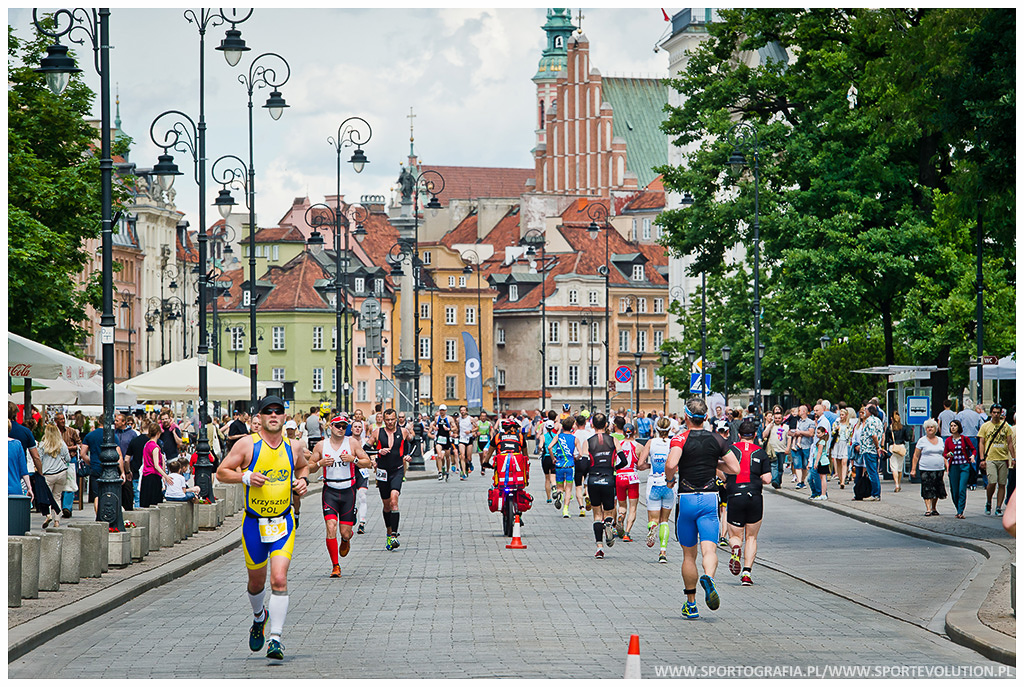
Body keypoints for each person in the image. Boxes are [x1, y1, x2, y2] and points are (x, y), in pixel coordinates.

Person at [217, 395, 309, 661]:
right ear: (258, 417)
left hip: (283, 522)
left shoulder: (293, 447)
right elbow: (222, 472)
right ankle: (259, 617)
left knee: (278, 579)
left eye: (278, 411)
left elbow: (304, 468)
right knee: (256, 583)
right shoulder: (248, 445)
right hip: (254, 524)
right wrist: (244, 475)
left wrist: (302, 483)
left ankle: (276, 639)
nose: (273, 415)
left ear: (284, 417)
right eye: (267, 411)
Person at [665, 397, 740, 620]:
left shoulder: (680, 438)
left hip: (687, 498)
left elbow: (671, 464)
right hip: (709, 498)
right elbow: (734, 468)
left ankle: (691, 604)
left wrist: (670, 480)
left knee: (689, 555)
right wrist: (714, 462)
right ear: (706, 417)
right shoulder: (717, 439)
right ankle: (709, 576)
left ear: (686, 416)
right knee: (710, 550)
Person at [307, 413, 371, 576]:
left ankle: (345, 539)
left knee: (345, 532)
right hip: (330, 491)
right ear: (331, 427)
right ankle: (335, 566)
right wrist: (320, 463)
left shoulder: (352, 443)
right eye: (338, 426)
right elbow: (310, 467)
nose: (341, 429)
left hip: (348, 491)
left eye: (344, 427)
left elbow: (368, 462)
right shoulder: (322, 446)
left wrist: (353, 459)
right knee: (330, 527)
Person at [724, 420, 772, 586]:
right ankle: (746, 573)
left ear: (738, 435)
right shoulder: (760, 452)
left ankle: (736, 548)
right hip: (754, 495)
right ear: (755, 435)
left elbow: (720, 468)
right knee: (751, 537)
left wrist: (726, 480)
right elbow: (767, 479)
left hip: (734, 494)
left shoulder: (731, 450)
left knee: (735, 536)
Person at [577, 413, 620, 559]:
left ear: (593, 425)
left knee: (596, 514)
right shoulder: (613, 440)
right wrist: (613, 468)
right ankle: (609, 523)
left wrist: (588, 470)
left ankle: (599, 548)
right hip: (609, 477)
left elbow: (583, 465)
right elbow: (624, 460)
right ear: (607, 425)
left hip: (594, 479)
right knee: (608, 511)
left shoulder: (588, 442)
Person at [636, 417, 675, 564]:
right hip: (669, 484)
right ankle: (663, 552)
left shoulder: (651, 442)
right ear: (670, 429)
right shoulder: (673, 443)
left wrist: (650, 466)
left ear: (657, 429)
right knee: (665, 520)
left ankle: (652, 527)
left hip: (653, 483)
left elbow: (640, 464)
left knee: (653, 519)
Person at [372, 408, 410, 551]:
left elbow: (412, 444)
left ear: (396, 419)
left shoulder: (403, 431)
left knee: (394, 500)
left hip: (397, 470)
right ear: (383, 419)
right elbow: (365, 448)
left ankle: (394, 535)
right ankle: (389, 533)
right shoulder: (377, 432)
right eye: (387, 420)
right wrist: (377, 452)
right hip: (382, 471)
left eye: (392, 419)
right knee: (386, 505)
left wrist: (407, 455)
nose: (389, 422)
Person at [81, 415, 126, 513]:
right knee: (109, 493)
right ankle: (108, 515)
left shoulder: (90, 435)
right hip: (110, 470)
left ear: (98, 422)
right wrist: (122, 472)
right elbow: (119, 455)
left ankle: (99, 517)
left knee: (97, 495)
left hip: (96, 468)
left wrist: (91, 462)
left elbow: (82, 454)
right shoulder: (112, 436)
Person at [979, 403, 1014, 517]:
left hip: (1003, 458)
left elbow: (1009, 443)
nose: (996, 415)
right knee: (992, 482)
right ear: (991, 413)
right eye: (994, 412)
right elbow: (981, 442)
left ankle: (998, 507)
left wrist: (1013, 457)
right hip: (991, 458)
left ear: (1001, 414)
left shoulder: (1006, 426)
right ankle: (989, 502)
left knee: (1002, 484)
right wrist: (982, 458)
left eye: (998, 413)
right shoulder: (985, 426)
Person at [38, 423, 71, 528]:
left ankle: (48, 515)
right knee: (57, 496)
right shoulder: (62, 444)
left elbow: (39, 458)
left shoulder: (43, 444)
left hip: (48, 474)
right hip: (61, 473)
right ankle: (57, 521)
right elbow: (68, 459)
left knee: (47, 497)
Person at [911, 419, 947, 516]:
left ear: (935, 429)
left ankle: (934, 507)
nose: (930, 429)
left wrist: (947, 466)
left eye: (932, 427)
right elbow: (916, 455)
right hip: (925, 468)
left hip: (939, 468)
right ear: (925, 429)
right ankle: (928, 509)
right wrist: (913, 469)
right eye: (928, 427)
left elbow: (945, 454)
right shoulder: (922, 441)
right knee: (927, 488)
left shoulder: (940, 440)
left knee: (937, 488)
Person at [614, 423, 641, 541]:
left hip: (620, 476)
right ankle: (627, 533)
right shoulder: (639, 446)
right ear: (634, 432)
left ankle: (620, 516)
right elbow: (641, 464)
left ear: (623, 432)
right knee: (633, 507)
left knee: (622, 505)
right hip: (632, 477)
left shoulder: (618, 445)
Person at [944, 419, 976, 519]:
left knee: (962, 489)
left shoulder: (964, 438)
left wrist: (973, 456)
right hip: (954, 466)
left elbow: (973, 449)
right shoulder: (948, 440)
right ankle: (957, 508)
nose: (953, 428)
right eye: (951, 426)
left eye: (955, 426)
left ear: (959, 427)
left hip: (964, 466)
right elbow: (945, 453)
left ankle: (960, 511)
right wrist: (948, 455)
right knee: (954, 490)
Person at [139, 423, 173, 508]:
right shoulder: (155, 447)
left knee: (145, 502)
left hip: (146, 476)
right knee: (154, 502)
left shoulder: (146, 444)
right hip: (154, 477)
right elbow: (156, 465)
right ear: (158, 433)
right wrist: (165, 476)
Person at [550, 417, 577, 518]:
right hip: (570, 465)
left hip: (559, 466)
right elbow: (579, 453)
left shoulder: (558, 436)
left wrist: (553, 458)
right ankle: (565, 510)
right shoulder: (574, 438)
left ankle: (559, 494)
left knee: (560, 486)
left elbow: (549, 447)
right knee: (569, 489)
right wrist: (576, 457)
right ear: (571, 427)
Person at [955, 402, 985, 490]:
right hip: (974, 438)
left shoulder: (959, 415)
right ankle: (973, 482)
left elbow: (955, 426)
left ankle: (964, 480)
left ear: (964, 406)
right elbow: (982, 427)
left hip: (963, 438)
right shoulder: (977, 415)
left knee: (962, 459)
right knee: (974, 459)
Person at [859, 403, 885, 501]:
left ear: (869, 411)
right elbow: (881, 434)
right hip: (874, 449)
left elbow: (873, 435)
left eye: (865, 410)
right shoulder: (878, 420)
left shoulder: (869, 421)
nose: (864, 411)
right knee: (874, 471)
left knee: (872, 472)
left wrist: (877, 446)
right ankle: (876, 492)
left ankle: (875, 494)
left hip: (869, 449)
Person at [763, 408, 789, 490]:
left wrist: (788, 448)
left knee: (780, 467)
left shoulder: (786, 427)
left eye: (779, 418)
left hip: (782, 449)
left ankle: (778, 481)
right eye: (776, 418)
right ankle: (774, 480)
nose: (777, 420)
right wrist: (769, 426)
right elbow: (764, 435)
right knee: (774, 466)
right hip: (772, 449)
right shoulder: (771, 426)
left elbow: (789, 438)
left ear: (782, 419)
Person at [572, 414, 593, 517]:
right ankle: (588, 495)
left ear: (576, 423)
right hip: (588, 459)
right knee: (587, 482)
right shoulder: (590, 434)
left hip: (578, 461)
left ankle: (581, 507)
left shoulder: (574, 434)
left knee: (578, 486)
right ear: (585, 423)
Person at [884, 411, 910, 493]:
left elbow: (887, 439)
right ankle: (899, 483)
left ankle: (896, 485)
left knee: (893, 467)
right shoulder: (903, 427)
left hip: (893, 447)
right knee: (899, 467)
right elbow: (907, 438)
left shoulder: (889, 428)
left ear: (891, 418)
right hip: (901, 447)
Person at [432, 405, 455, 481]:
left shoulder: (449, 418)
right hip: (439, 439)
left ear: (446, 410)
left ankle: (447, 471)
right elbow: (433, 425)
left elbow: (455, 428)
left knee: (447, 457)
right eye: (440, 410)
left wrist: (449, 429)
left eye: (443, 410)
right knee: (439, 456)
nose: (442, 412)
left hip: (447, 440)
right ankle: (440, 472)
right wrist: (434, 428)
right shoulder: (437, 418)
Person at [809, 425, 831, 501]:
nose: (817, 434)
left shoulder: (821, 442)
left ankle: (823, 494)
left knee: (823, 478)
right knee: (822, 478)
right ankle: (822, 493)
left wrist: (816, 462)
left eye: (818, 433)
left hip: (822, 461)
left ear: (823, 433)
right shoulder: (823, 441)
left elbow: (820, 452)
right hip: (824, 461)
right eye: (816, 433)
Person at [455, 405, 477, 480]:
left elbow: (477, 428)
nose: (462, 411)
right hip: (461, 439)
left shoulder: (470, 419)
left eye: (464, 410)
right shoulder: (458, 419)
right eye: (461, 410)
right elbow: (457, 428)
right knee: (462, 456)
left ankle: (470, 463)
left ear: (466, 411)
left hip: (469, 438)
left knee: (469, 457)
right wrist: (456, 434)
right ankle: (463, 472)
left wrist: (470, 431)